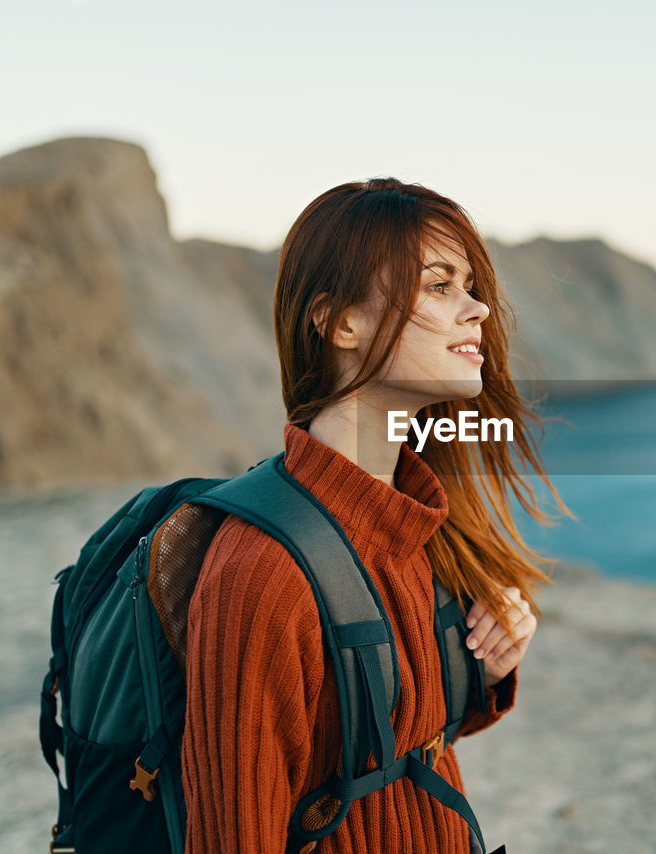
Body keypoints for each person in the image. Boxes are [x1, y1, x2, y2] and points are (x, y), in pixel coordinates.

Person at [181, 178, 571, 853]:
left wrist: (489, 659)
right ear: (341, 322)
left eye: (471, 286)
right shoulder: (263, 575)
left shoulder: (417, 521)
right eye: (440, 286)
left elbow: (389, 751)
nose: (476, 310)